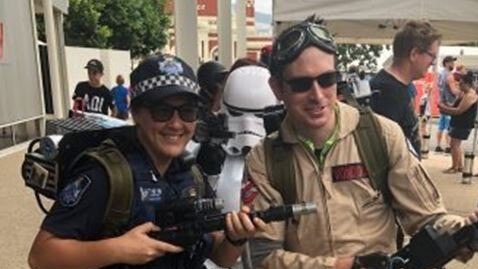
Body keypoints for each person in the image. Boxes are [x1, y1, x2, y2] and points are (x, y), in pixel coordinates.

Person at [242, 16, 478, 269]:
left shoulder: (381, 135)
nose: (318, 95)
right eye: (301, 84)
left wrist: (465, 232)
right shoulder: (264, 159)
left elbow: (428, 217)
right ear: (277, 88)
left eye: (327, 80)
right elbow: (263, 257)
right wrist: (346, 266)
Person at [28, 54, 266, 269]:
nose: (175, 124)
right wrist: (117, 250)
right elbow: (41, 256)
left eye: (187, 112)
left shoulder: (192, 174)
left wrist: (237, 236)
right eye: (162, 111)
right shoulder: (108, 176)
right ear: (136, 113)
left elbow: (220, 257)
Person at [370, 21, 442, 158]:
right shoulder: (389, 94)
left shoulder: (396, 88)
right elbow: (383, 154)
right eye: (432, 56)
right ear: (414, 54)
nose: (433, 62)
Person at [439, 71, 478, 174]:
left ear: (468, 84)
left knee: (454, 144)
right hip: (458, 121)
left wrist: (445, 109)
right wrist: (445, 107)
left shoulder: (470, 95)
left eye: (461, 83)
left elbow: (459, 110)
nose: (459, 85)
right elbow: (454, 106)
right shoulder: (463, 94)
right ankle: (459, 166)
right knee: (455, 144)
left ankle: (455, 167)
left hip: (463, 123)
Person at [435, 56, 459, 153]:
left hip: (442, 102)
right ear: (446, 63)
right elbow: (453, 91)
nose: (453, 64)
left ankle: (438, 145)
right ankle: (448, 146)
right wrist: (462, 91)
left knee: (441, 126)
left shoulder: (440, 74)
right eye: (451, 62)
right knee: (448, 126)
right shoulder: (449, 75)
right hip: (450, 104)